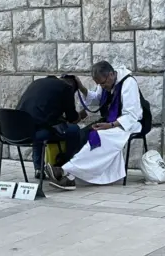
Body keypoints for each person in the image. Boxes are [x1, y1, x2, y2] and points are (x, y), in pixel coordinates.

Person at [50, 61, 142, 190]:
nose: (102, 87)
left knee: (99, 136)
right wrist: (81, 87)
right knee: (82, 134)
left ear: (111, 74)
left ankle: (66, 171)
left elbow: (132, 114)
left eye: (103, 83)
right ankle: (70, 171)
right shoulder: (105, 82)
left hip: (128, 124)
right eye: (99, 84)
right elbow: (97, 99)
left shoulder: (128, 83)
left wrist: (110, 125)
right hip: (110, 121)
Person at [15, 75, 85, 178]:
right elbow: (72, 119)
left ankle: (38, 168)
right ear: (73, 86)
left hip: (16, 131)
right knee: (74, 130)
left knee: (38, 127)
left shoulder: (37, 82)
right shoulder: (67, 87)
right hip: (37, 133)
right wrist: (81, 115)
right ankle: (66, 166)